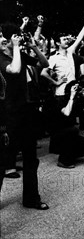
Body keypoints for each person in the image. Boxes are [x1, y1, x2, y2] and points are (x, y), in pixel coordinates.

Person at [0, 30, 49, 210]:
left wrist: (33, 47)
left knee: (31, 158)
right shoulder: (1, 58)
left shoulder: (18, 54)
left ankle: (31, 199)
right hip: (8, 116)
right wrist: (15, 47)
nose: (7, 41)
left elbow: (45, 63)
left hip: (26, 113)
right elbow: (14, 70)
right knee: (3, 159)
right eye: (4, 39)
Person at [45, 81, 84, 168]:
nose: (77, 91)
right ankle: (63, 160)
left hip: (70, 135)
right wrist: (71, 97)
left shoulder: (78, 101)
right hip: (58, 136)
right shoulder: (61, 100)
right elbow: (67, 113)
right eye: (75, 89)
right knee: (72, 130)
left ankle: (69, 155)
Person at [41, 17, 84, 108]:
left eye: (67, 39)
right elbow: (43, 73)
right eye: (64, 39)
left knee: (71, 119)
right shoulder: (54, 57)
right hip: (61, 94)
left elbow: (79, 39)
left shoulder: (70, 52)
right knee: (63, 119)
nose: (67, 41)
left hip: (72, 92)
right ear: (58, 43)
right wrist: (55, 83)